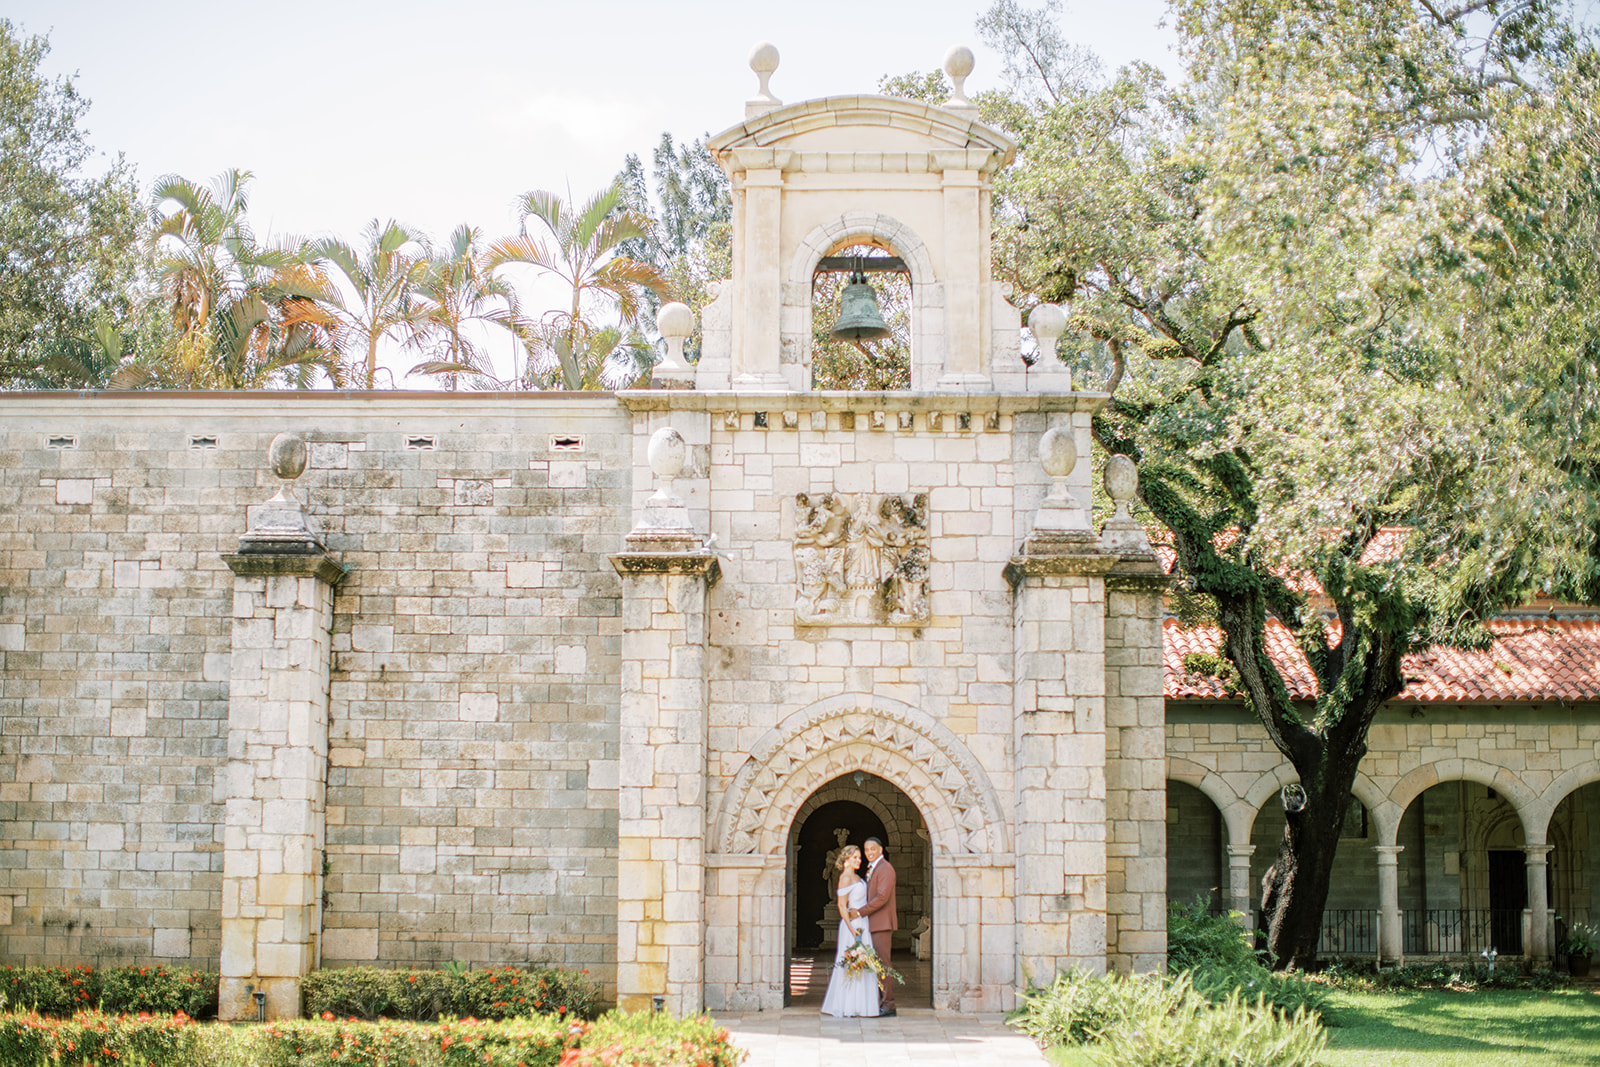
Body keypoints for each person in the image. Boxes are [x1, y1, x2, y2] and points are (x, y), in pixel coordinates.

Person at [820, 845, 879, 1018]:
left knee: (864, 961)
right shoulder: (845, 877)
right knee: (851, 962)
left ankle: (863, 1005)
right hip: (853, 925)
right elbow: (841, 904)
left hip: (863, 922)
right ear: (846, 859)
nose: (859, 860)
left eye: (859, 858)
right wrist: (851, 928)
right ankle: (849, 1004)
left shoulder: (857, 876)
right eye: (855, 857)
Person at [850, 836, 898, 1017]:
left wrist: (860, 912)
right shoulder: (874, 868)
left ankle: (889, 1004)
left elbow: (882, 898)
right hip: (874, 923)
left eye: (873, 849)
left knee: (883, 964)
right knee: (875, 963)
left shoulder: (885, 869)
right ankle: (880, 1001)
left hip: (882, 923)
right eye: (866, 850)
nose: (869, 852)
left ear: (881, 850)